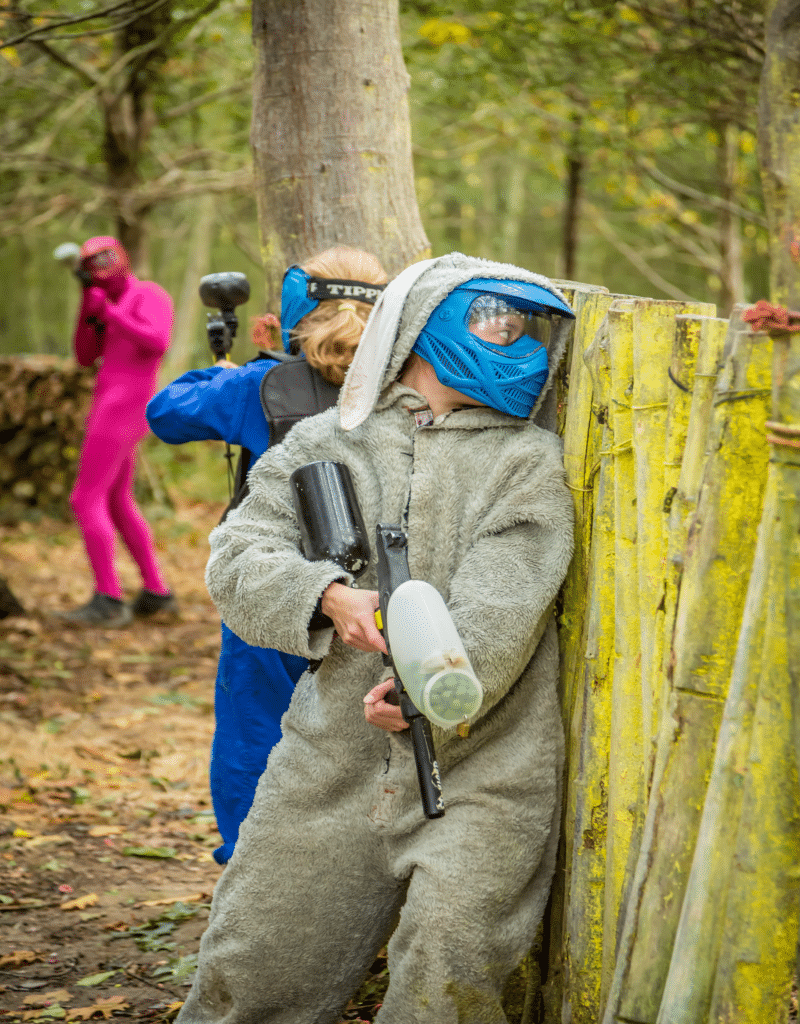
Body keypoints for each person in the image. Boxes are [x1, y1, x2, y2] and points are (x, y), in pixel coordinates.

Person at [175, 252, 577, 1024]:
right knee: (255, 962)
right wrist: (324, 596)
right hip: (329, 759)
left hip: (487, 770)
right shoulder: (326, 441)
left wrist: (438, 688)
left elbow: (505, 593)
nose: (516, 341)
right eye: (496, 322)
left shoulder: (528, 462)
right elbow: (237, 555)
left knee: (449, 968)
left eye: (527, 327)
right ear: (423, 327)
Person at [146, 245, 389, 864]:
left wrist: (251, 365)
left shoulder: (264, 386)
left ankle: (250, 867)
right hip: (381, 598)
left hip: (277, 593)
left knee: (254, 735)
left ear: (294, 311)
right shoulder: (408, 385)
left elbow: (167, 412)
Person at [55, 236, 176, 629]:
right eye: (91, 263)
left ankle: (108, 598)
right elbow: (85, 355)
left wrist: (111, 314)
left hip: (125, 404)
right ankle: (157, 593)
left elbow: (157, 341)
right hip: (109, 400)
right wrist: (88, 311)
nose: (100, 267)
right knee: (117, 500)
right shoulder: (105, 302)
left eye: (106, 258)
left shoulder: (148, 293)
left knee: (84, 497)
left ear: (123, 257)